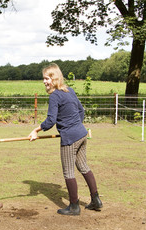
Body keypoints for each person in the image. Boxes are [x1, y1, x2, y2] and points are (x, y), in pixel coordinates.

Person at [29, 63, 102, 215]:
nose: (44, 82)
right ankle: (96, 200)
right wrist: (76, 125)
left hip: (70, 139)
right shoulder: (70, 90)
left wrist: (36, 130)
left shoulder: (55, 95)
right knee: (83, 167)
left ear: (54, 78)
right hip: (82, 134)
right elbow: (81, 111)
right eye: (43, 79)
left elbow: (50, 121)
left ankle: (74, 206)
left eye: (47, 78)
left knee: (68, 172)